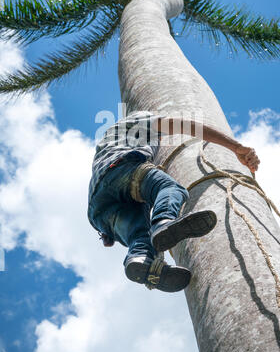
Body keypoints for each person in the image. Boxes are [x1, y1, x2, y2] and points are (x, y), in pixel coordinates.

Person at [87, 110, 260, 293]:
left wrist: (111, 232)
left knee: (140, 237)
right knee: (170, 189)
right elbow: (186, 125)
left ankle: (142, 262)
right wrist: (237, 147)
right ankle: (164, 222)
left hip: (99, 208)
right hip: (122, 168)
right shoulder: (137, 120)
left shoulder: (107, 143)